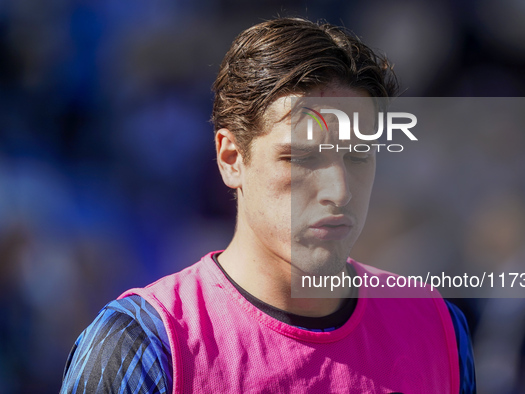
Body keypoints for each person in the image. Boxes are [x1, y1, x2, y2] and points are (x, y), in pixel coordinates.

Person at [60, 17, 475, 393]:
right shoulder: (145, 343)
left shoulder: (437, 329)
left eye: (358, 155)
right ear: (231, 158)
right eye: (301, 157)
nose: (339, 189)